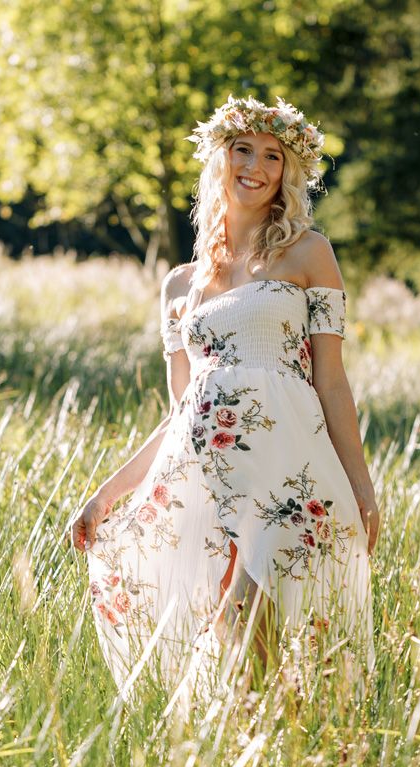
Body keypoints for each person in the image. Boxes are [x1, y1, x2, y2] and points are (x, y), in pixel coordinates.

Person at [69, 96, 378, 692]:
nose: (255, 166)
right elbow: (182, 412)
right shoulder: (179, 285)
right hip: (208, 477)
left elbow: (332, 382)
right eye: (243, 150)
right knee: (236, 639)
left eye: (272, 156)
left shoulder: (310, 255)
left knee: (243, 622)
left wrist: (361, 487)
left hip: (292, 473)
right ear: (220, 159)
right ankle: (251, 752)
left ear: (288, 173)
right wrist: (107, 494)